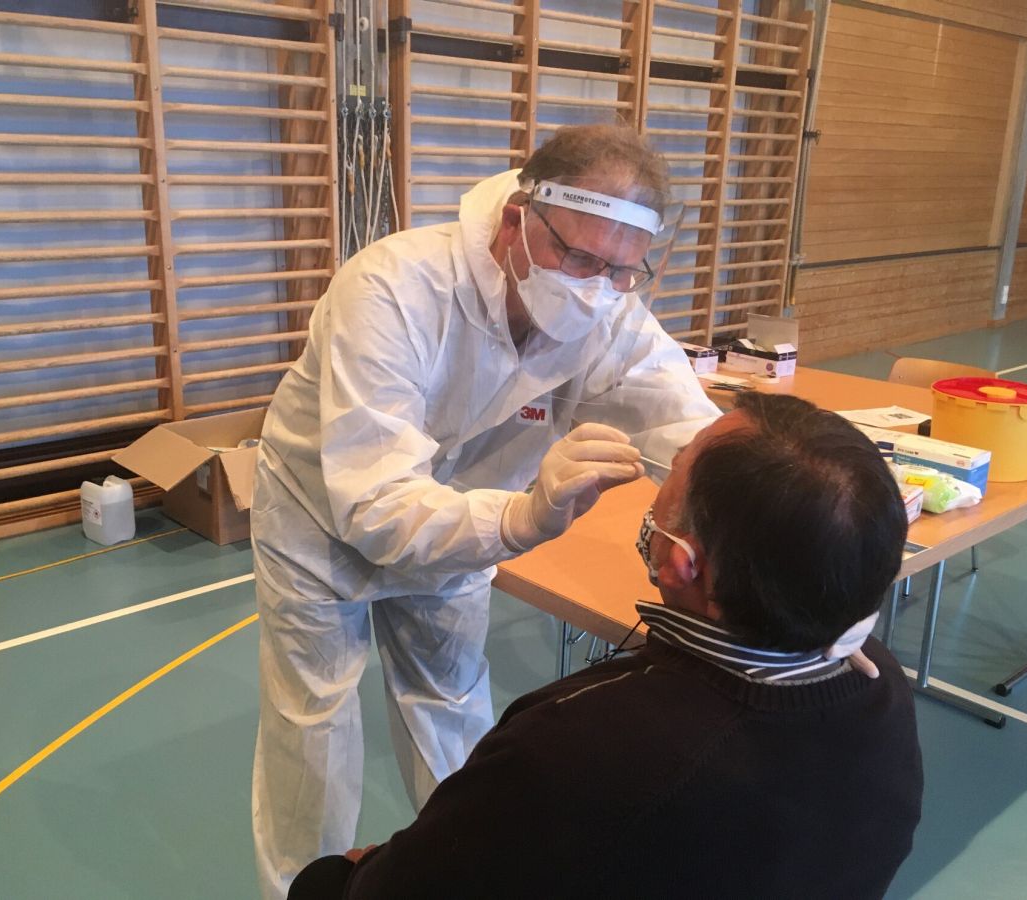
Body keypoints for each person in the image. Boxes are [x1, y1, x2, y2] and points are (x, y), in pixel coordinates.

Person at [250, 124, 722, 898]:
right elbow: (375, 502)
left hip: (467, 518)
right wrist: (520, 521)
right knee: (313, 720)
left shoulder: (609, 312)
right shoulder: (395, 288)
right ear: (516, 222)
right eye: (580, 259)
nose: (597, 287)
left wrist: (798, 541)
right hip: (319, 516)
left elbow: (689, 427)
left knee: (450, 704)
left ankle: (463, 880)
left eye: (620, 270)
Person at [288, 393, 924, 900]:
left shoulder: (579, 743)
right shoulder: (883, 685)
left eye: (675, 469)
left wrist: (354, 873)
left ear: (680, 563)